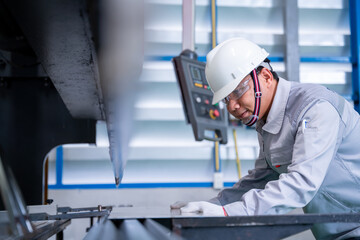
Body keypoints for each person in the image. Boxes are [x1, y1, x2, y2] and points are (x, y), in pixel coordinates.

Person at [171, 38, 360, 240]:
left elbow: (302, 182)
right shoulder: (268, 121)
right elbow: (262, 178)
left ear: (266, 77)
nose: (231, 106)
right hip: (338, 233)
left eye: (237, 91)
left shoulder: (315, 109)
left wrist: (230, 213)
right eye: (226, 99)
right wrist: (213, 207)